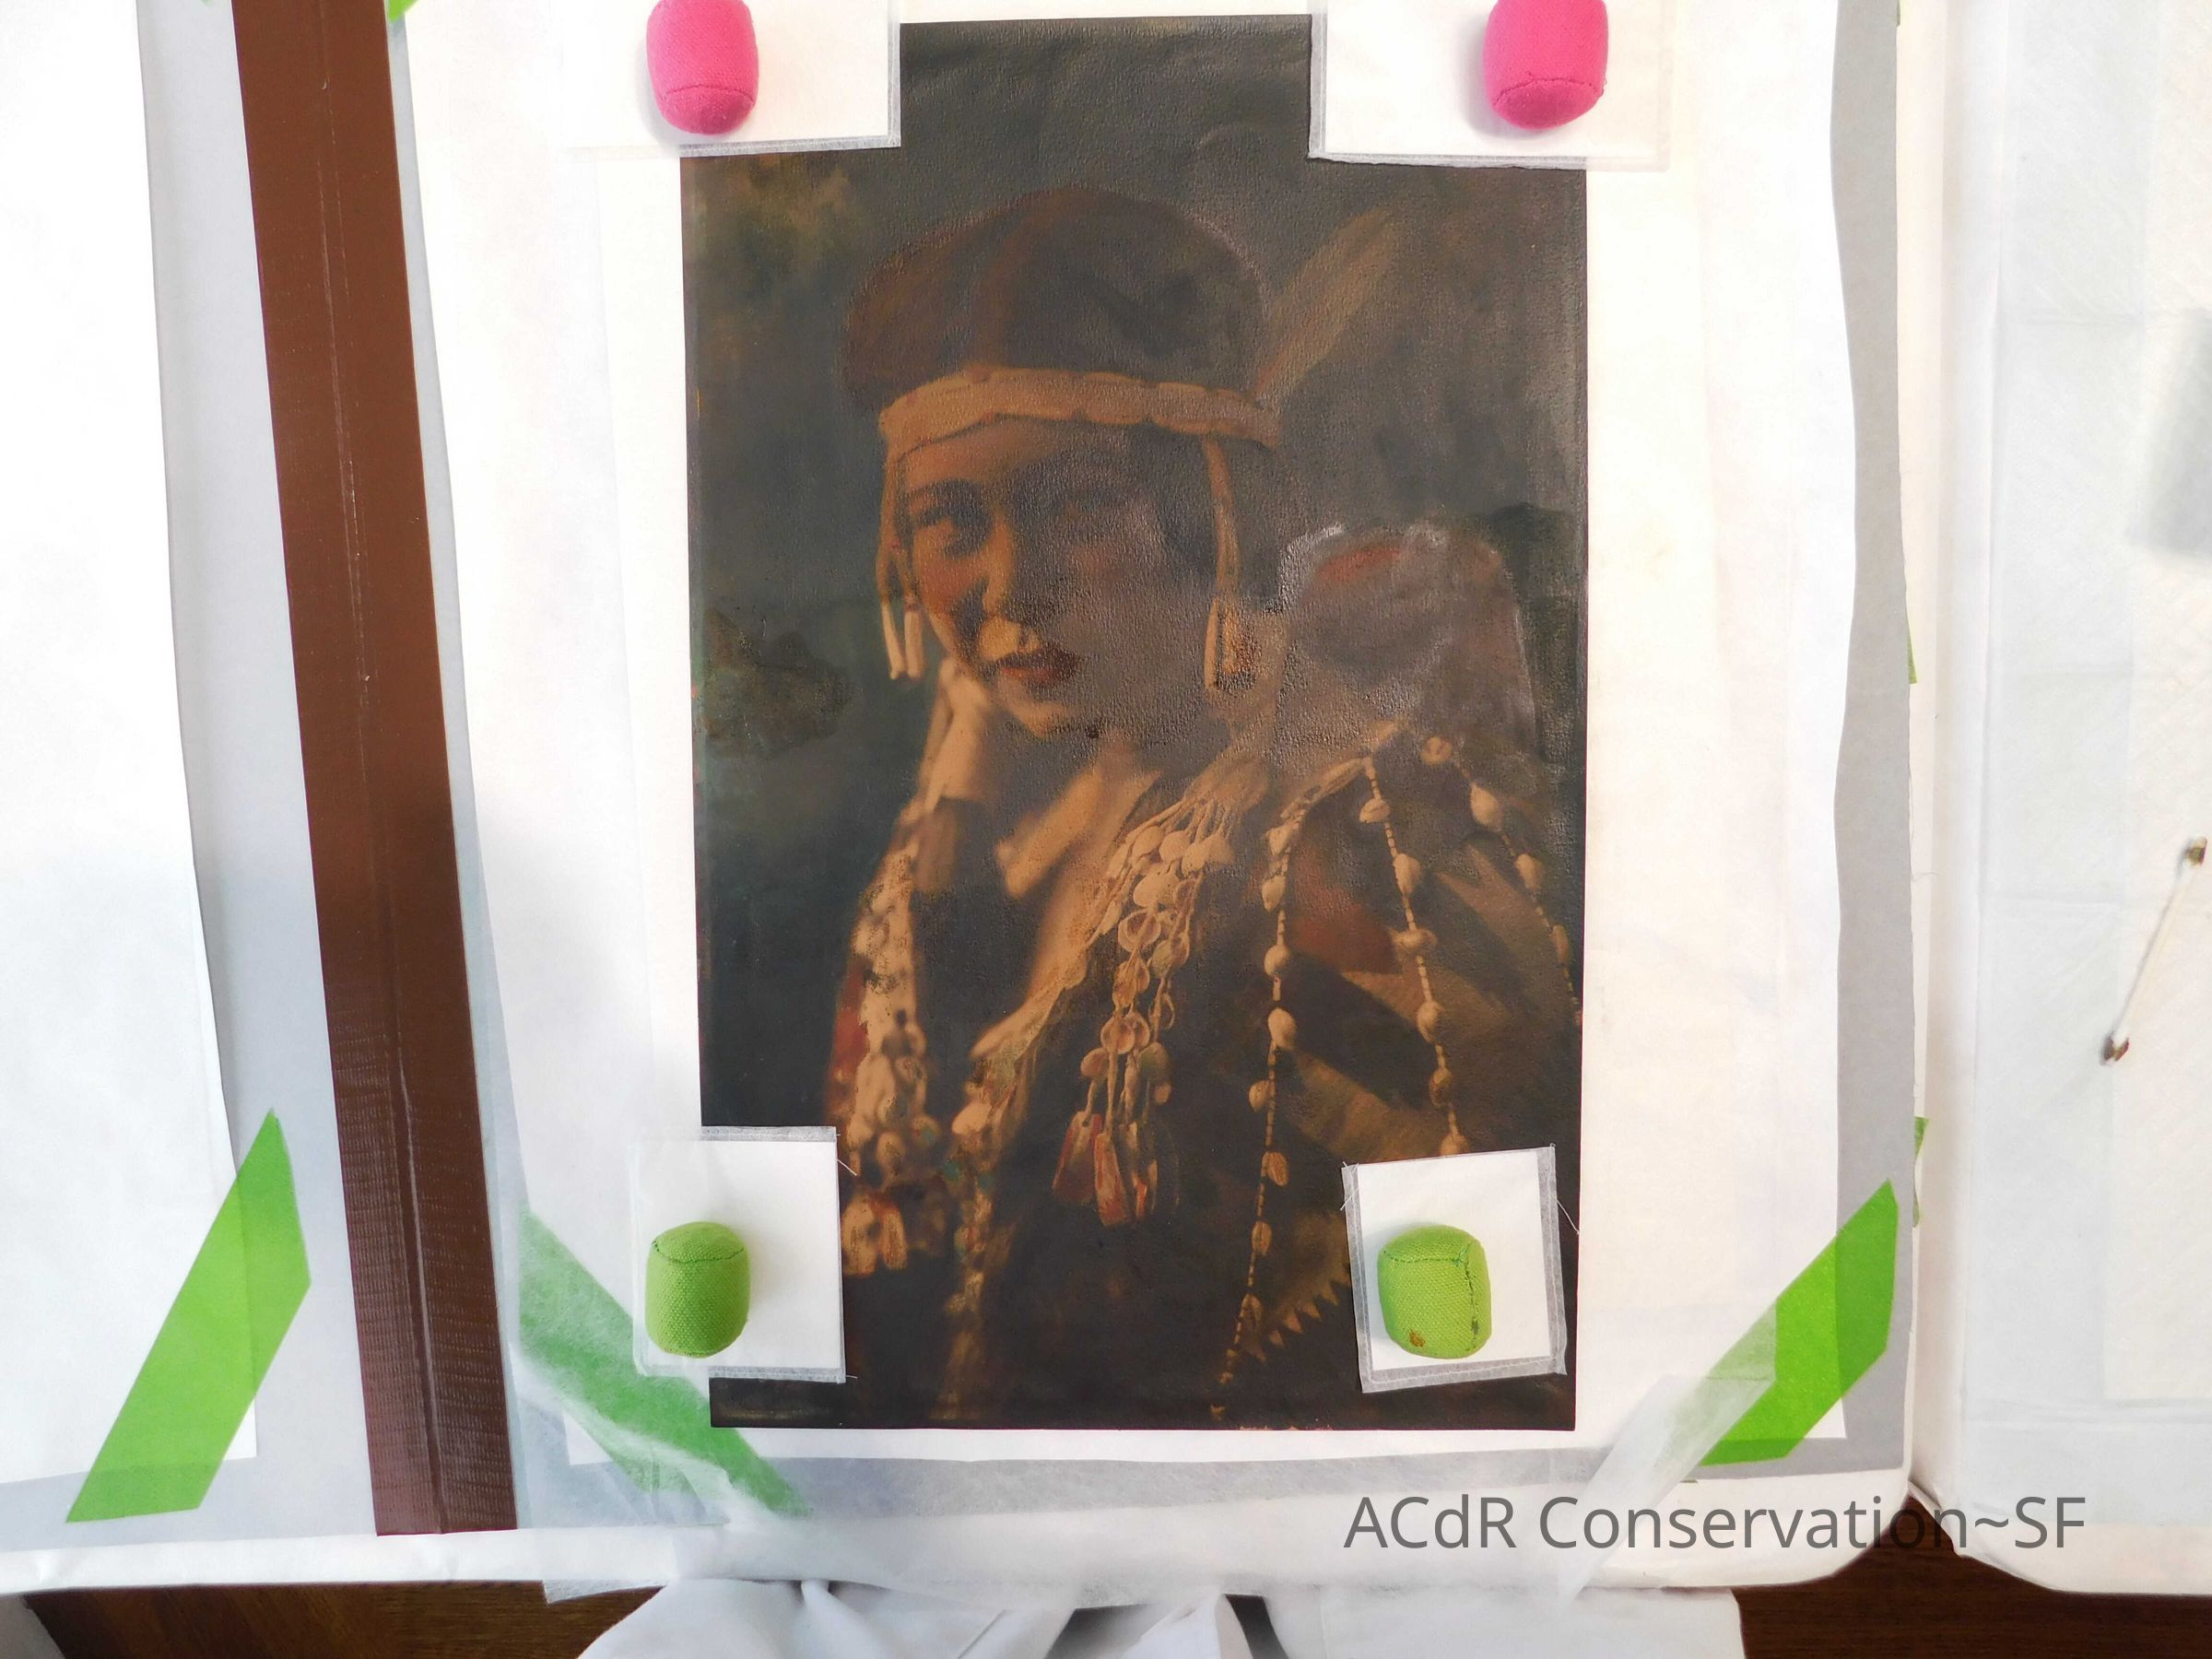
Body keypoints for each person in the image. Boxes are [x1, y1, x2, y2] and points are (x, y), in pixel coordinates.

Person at [819, 186, 1580, 1427]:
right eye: (950, 522)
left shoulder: (1368, 848)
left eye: (1075, 507)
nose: (1007, 582)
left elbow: (1470, 1378)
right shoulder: (1010, 844)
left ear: (1211, 510)